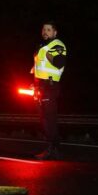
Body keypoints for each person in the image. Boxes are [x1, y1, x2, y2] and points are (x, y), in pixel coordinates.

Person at [31, 21, 67, 160]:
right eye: (43, 29)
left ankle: (53, 148)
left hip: (50, 86)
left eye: (48, 29)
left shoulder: (57, 45)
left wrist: (49, 56)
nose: (45, 32)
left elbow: (59, 63)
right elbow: (38, 69)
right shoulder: (42, 46)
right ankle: (52, 147)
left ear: (54, 32)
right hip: (41, 86)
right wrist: (34, 84)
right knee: (43, 118)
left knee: (49, 118)